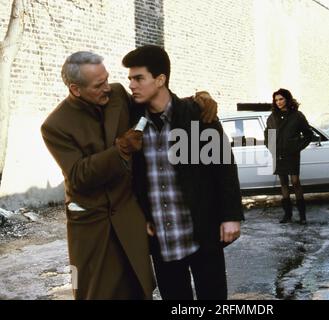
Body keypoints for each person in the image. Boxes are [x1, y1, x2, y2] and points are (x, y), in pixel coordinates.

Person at [40, 51, 218, 299]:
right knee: (94, 292)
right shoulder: (55, 126)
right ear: (75, 89)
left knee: (138, 288)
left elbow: (157, 102)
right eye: (98, 84)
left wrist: (198, 100)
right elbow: (79, 176)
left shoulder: (117, 95)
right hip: (93, 225)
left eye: (107, 79)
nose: (107, 87)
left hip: (129, 216)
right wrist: (120, 150)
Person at [122, 45, 244, 300]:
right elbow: (133, 178)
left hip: (201, 231)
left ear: (160, 79)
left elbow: (224, 167)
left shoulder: (197, 114)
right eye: (130, 78)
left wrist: (231, 215)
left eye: (138, 78)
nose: (131, 85)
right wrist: (140, 216)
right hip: (162, 238)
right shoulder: (132, 120)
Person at [264, 88, 313, 224]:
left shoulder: (297, 116)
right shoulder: (272, 117)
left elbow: (308, 135)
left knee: (296, 182)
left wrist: (296, 146)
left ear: (287, 99)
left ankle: (302, 216)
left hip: (292, 154)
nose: (278, 102)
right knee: (284, 183)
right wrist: (271, 147)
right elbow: (268, 134)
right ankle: (287, 215)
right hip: (279, 154)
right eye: (276, 100)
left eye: (281, 99)